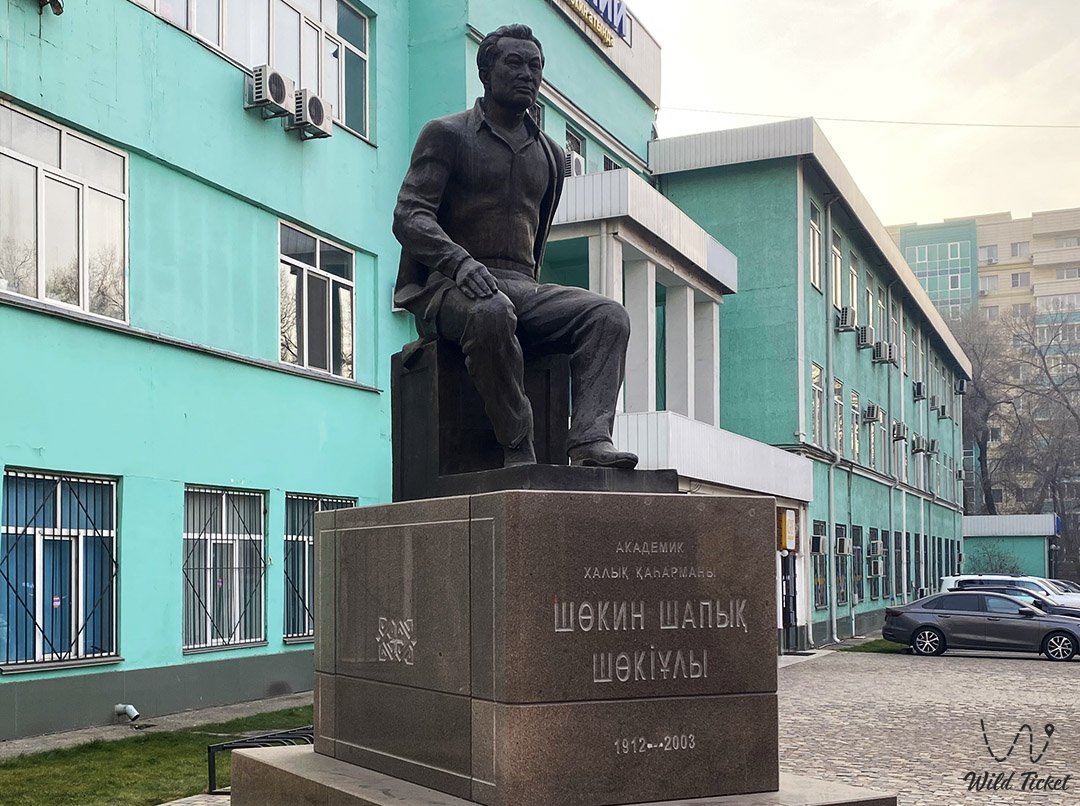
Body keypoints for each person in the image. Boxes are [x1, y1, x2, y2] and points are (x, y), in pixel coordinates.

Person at [392, 23, 638, 470]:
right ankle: (517, 442)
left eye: (535, 65)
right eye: (514, 63)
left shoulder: (550, 154)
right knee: (491, 313)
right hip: (447, 287)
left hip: (522, 286)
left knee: (608, 316)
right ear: (486, 71)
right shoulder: (447, 134)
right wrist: (460, 264)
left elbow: (538, 238)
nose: (527, 73)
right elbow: (409, 215)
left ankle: (588, 441)